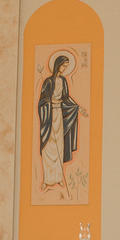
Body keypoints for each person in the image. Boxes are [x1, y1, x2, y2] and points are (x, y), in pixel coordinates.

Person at [38, 55, 82, 196]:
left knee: (59, 146)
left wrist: (77, 107)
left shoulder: (63, 80)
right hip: (49, 116)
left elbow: (65, 97)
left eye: (66, 66)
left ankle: (58, 178)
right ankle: (47, 179)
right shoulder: (48, 81)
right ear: (57, 65)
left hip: (59, 117)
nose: (65, 68)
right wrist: (49, 105)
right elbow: (42, 101)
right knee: (49, 147)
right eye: (63, 66)